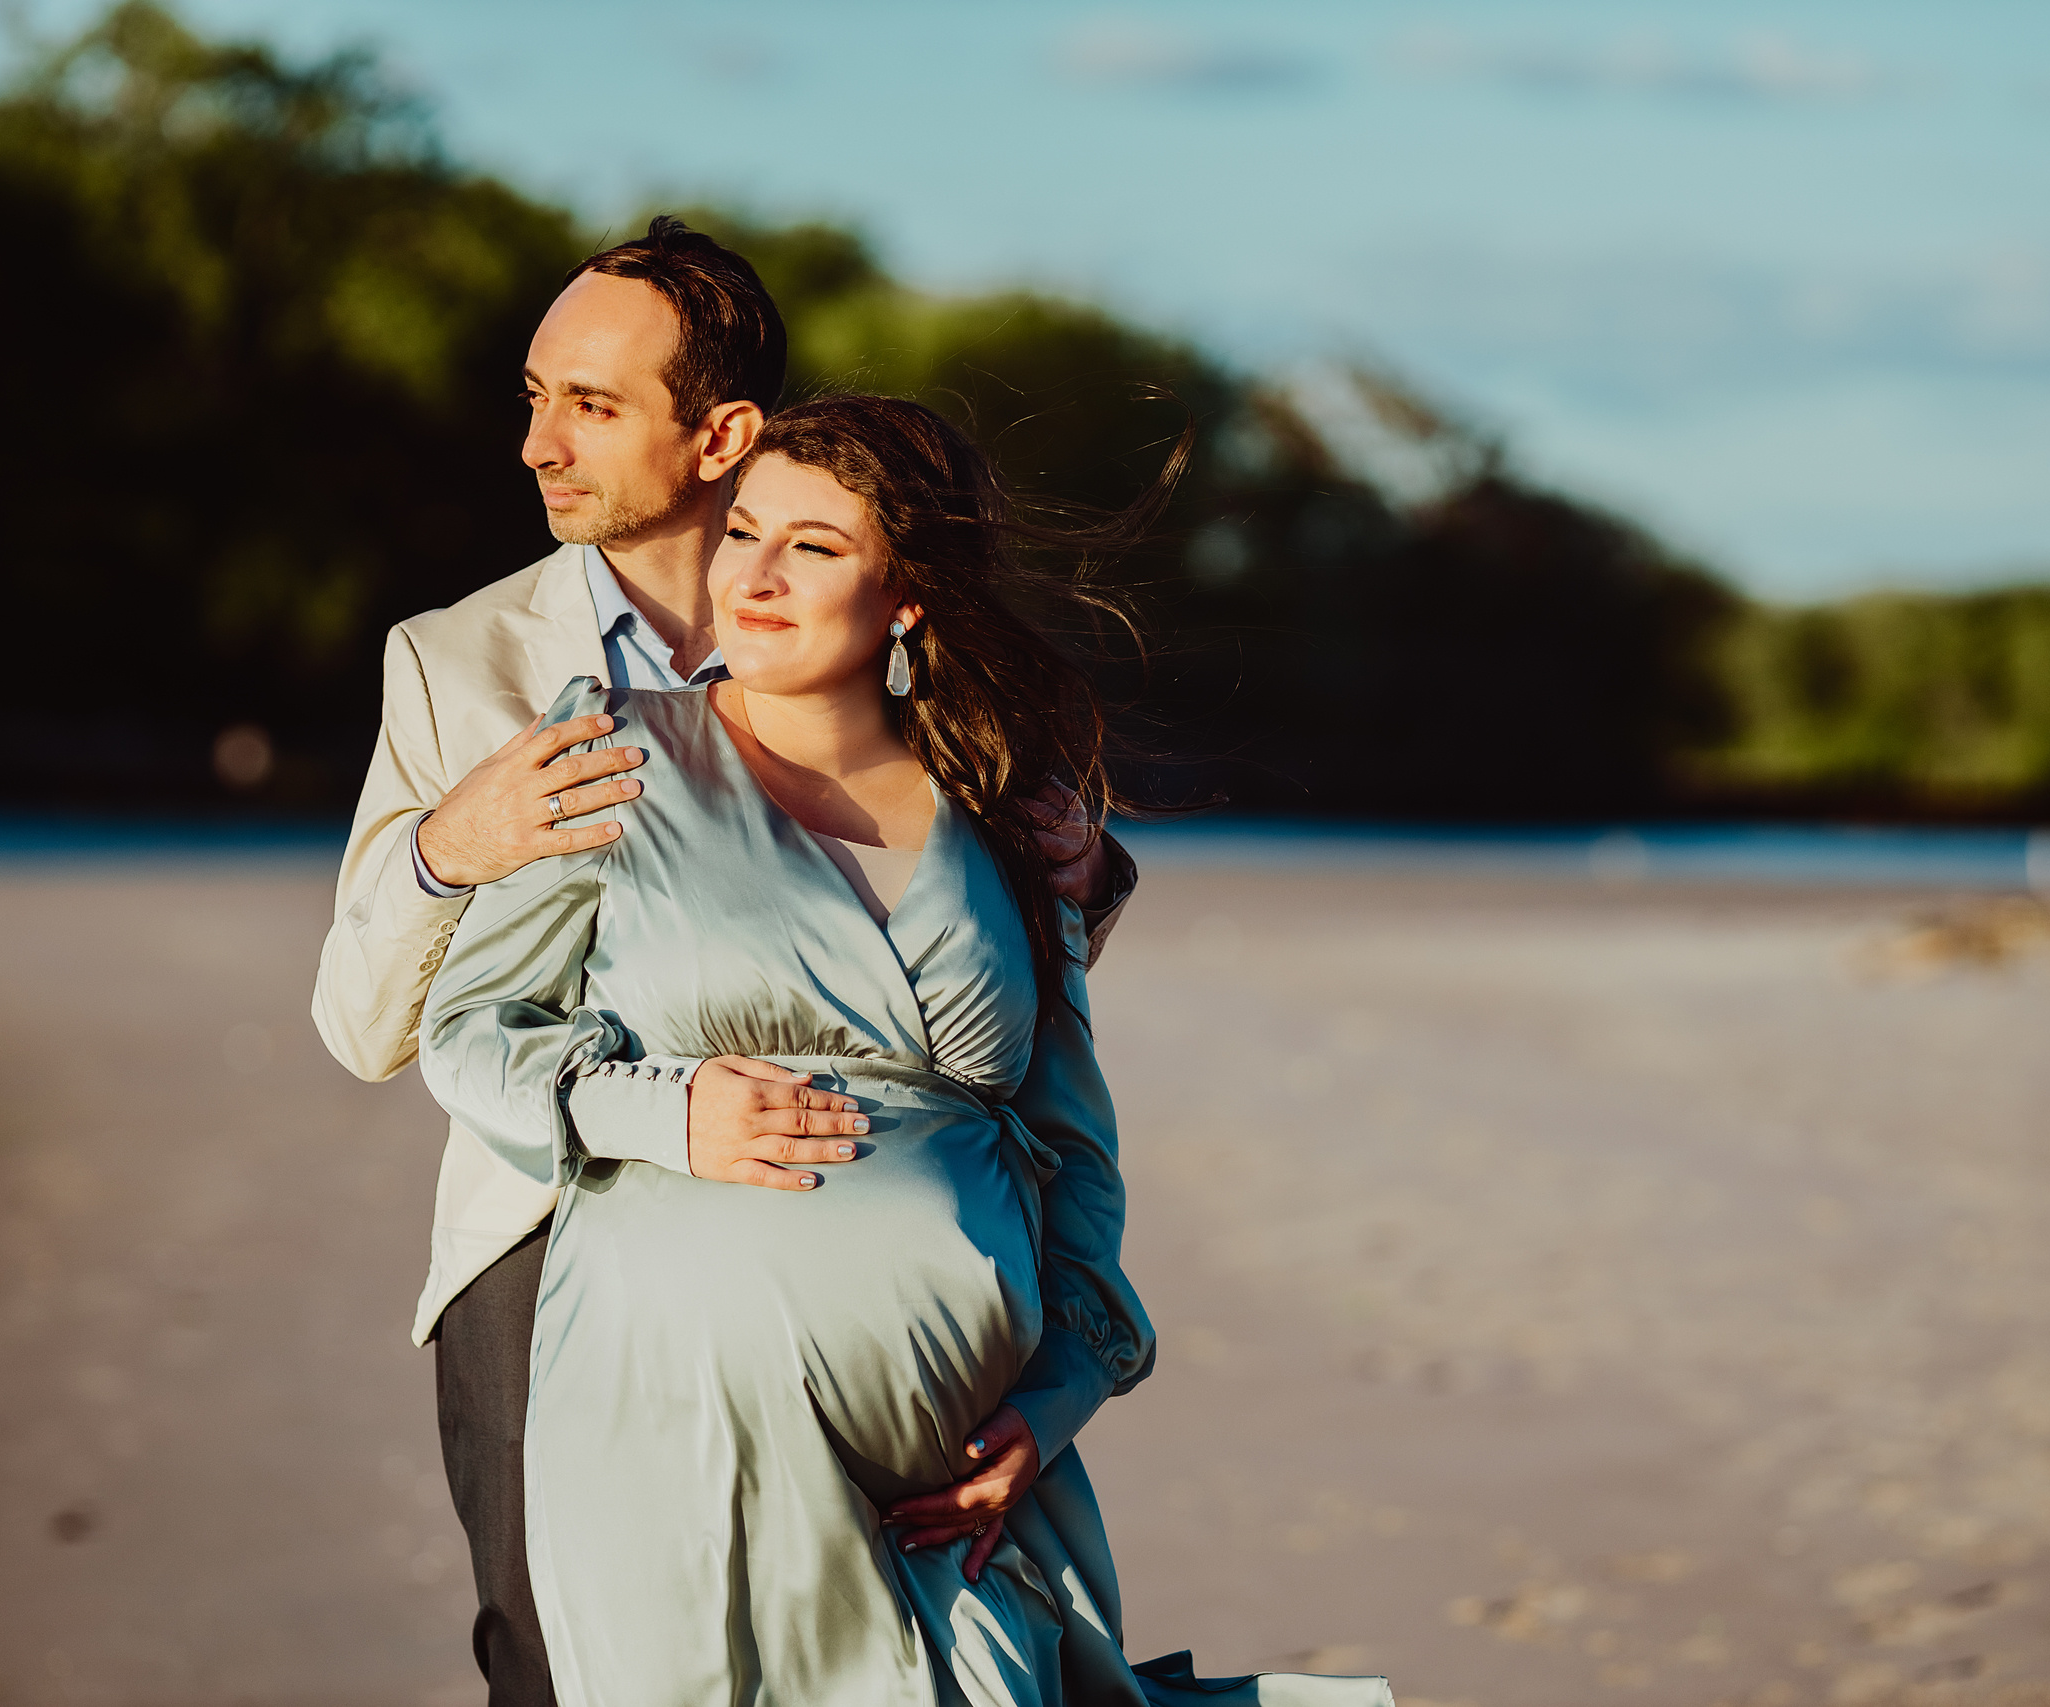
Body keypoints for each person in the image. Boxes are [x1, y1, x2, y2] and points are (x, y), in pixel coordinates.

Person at [418, 394, 1388, 1705]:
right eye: (742, 528)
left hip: (960, 1485)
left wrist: (1046, 1416)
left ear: (910, 596)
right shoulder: (616, 753)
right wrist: (666, 1110)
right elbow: (470, 1034)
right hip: (686, 1428)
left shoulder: (1007, 817)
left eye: (813, 547)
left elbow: (1075, 1161)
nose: (753, 574)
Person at [309, 218, 1130, 1703]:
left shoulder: (927, 687)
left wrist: (1086, 874)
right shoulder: (466, 665)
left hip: (935, 1374)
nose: (537, 445)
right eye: (534, 396)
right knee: (563, 1669)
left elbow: (1017, 1032)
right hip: (554, 1228)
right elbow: (381, 1027)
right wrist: (455, 846)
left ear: (722, 435)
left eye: (592, 406)